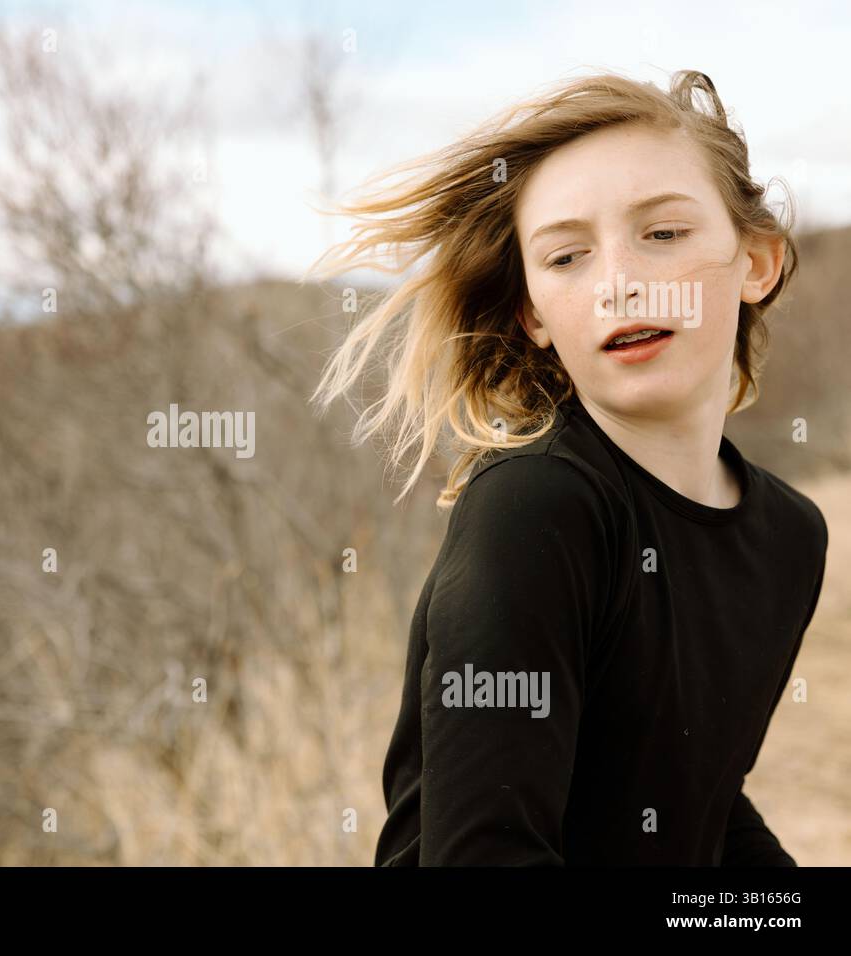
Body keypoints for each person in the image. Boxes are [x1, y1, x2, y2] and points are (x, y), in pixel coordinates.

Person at [304, 70, 827, 865]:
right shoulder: (534, 507)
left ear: (756, 261)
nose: (618, 283)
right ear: (533, 316)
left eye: (663, 234)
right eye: (567, 256)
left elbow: (701, 805)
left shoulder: (791, 536)